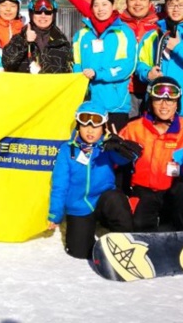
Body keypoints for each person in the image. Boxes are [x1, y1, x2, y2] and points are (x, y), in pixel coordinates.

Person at [57, 0, 183, 116]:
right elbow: (93, 8)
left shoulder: (160, 22)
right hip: (125, 89)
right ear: (126, 3)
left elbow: (182, 5)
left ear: (150, 3)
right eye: (132, 0)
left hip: (154, 88)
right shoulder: (117, 23)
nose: (137, 3)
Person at [120, 76, 183, 232]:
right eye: (158, 100)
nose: (164, 105)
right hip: (145, 190)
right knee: (139, 227)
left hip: (176, 190)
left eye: (170, 101)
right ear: (151, 101)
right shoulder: (134, 128)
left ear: (176, 103)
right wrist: (115, 150)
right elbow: (116, 156)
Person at [47, 100, 139, 259]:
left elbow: (127, 158)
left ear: (103, 126)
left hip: (104, 201)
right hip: (80, 206)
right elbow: (60, 184)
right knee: (79, 253)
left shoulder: (106, 146)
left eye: (95, 125)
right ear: (78, 125)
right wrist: (55, 214)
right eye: (84, 125)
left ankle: (126, 242)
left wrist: (120, 147)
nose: (90, 130)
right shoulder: (67, 150)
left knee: (116, 199)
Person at [70, 0, 137, 130]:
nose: (100, 9)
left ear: (113, 6)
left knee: (112, 148)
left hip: (114, 105)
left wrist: (98, 73)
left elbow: (127, 66)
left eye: (104, 4)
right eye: (96, 5)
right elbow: (75, 63)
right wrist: (81, 77)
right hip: (87, 103)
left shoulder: (123, 32)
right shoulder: (82, 35)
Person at [3, 0, 72, 74]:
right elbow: (7, 63)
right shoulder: (19, 38)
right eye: (38, 12)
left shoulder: (62, 42)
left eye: (48, 12)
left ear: (53, 15)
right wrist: (25, 42)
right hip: (26, 86)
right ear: (32, 14)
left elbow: (70, 72)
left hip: (53, 86)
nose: (43, 16)